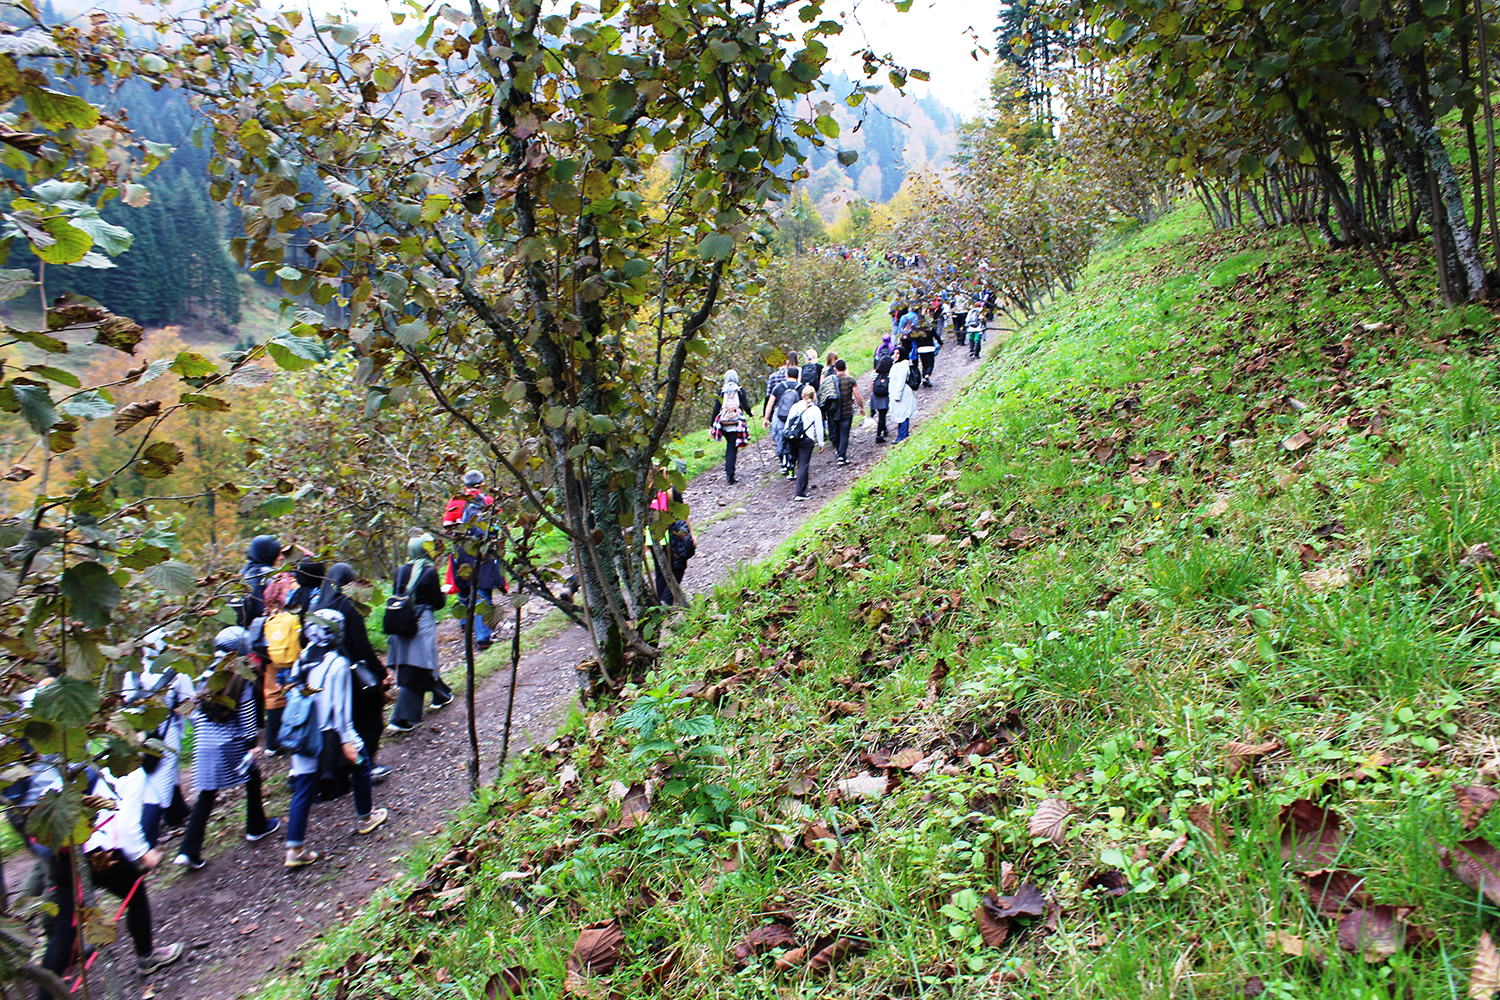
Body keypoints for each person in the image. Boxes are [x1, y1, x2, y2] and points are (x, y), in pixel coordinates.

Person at [24, 762, 184, 991]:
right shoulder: (130, 773)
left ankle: (47, 996)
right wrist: (145, 854)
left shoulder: (75, 768)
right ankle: (146, 957)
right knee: (135, 895)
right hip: (95, 853)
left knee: (64, 931)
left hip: (58, 857)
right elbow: (127, 827)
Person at [283, 609, 387, 869]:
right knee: (362, 767)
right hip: (330, 733)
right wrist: (348, 739)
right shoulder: (337, 664)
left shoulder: (303, 658)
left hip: (303, 733)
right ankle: (366, 817)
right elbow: (340, 707)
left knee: (303, 788)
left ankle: (294, 848)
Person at [175, 627, 279, 870]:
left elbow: (196, 710)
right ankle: (256, 826)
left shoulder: (207, 675)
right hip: (230, 740)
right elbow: (247, 713)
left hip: (204, 740)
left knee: (206, 794)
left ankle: (188, 850)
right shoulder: (241, 675)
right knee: (252, 777)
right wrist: (251, 744)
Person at [312, 563, 390, 780]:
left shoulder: (316, 608)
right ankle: (367, 765)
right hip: (352, 674)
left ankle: (341, 768)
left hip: (323, 675)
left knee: (342, 722)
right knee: (371, 719)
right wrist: (379, 672)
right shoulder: (349, 606)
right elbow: (362, 645)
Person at [123, 628, 197, 848]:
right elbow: (191, 706)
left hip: (138, 738)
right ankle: (146, 843)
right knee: (158, 787)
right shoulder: (177, 674)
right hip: (166, 737)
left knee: (163, 776)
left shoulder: (132, 675)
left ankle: (177, 811)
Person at [386, 534, 451, 733]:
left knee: (416, 661)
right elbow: (437, 602)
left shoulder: (400, 570)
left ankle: (442, 695)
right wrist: (443, 593)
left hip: (401, 621)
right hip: (421, 622)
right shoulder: (429, 571)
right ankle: (400, 718)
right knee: (419, 665)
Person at [443, 470, 506, 651]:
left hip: (462, 549)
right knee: (483, 590)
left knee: (463, 585)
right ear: (482, 483)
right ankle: (483, 638)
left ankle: (465, 624)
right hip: (484, 551)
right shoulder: (488, 501)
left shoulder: (456, 500)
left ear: (465, 484)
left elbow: (446, 526)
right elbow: (501, 523)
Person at [253, 574, 301, 752]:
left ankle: (272, 743)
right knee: (295, 692)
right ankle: (295, 737)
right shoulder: (291, 583)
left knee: (273, 694)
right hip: (289, 647)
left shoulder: (272, 584)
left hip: (271, 643)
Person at [650, 488, 694, 605]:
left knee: (660, 570)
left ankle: (663, 604)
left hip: (653, 537)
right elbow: (682, 514)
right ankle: (666, 600)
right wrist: (690, 534)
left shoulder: (643, 492)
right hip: (671, 535)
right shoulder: (670, 490)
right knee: (678, 566)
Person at [709, 369, 751, 485]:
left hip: (724, 423)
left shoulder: (721, 391)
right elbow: (746, 406)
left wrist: (712, 425)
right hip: (736, 423)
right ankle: (730, 473)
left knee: (729, 445)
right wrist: (750, 413)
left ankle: (729, 470)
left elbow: (716, 409)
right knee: (732, 448)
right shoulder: (740, 390)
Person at [783, 385, 825, 502]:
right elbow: (819, 428)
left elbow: (787, 425)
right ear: (814, 396)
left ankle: (790, 473)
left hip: (793, 439)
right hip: (806, 441)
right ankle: (800, 492)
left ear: (802, 395)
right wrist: (821, 443)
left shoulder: (795, 407)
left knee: (794, 460)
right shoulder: (815, 410)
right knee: (803, 465)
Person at [238, 534, 282, 625]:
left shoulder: (244, 572)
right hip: (264, 626)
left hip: (246, 627)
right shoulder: (269, 574)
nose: (279, 557)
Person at [831, 359, 865, 466]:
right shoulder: (850, 380)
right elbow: (857, 395)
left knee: (836, 432)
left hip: (834, 411)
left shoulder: (831, 380)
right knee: (844, 434)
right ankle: (842, 456)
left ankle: (838, 451)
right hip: (847, 411)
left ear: (835, 368)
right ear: (845, 368)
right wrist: (861, 407)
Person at [888, 353, 918, 441]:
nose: (895, 355)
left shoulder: (903, 365)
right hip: (897, 393)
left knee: (904, 414)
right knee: (899, 414)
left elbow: (901, 381)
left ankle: (903, 436)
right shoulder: (896, 364)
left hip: (903, 394)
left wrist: (897, 395)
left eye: (898, 353)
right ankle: (901, 435)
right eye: (894, 353)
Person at [870, 349, 893, 444]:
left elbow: (871, 385)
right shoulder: (890, 374)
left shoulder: (874, 373)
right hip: (885, 396)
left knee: (881, 415)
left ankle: (884, 429)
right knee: (882, 416)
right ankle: (879, 435)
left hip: (875, 395)